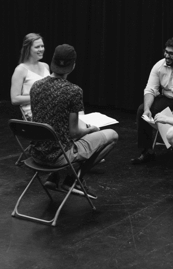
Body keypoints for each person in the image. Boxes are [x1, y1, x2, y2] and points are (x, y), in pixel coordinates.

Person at [29, 45, 119, 190]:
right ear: (73, 65)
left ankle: (55, 176)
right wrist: (92, 129)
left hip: (36, 155)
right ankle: (73, 179)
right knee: (112, 135)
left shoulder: (35, 86)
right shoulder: (73, 91)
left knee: (60, 132)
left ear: (52, 62)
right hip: (59, 157)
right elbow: (74, 133)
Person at [131, 37, 173, 165]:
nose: (167, 56)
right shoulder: (159, 65)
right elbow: (150, 89)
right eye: (166, 52)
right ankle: (147, 151)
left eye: (172, 54)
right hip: (166, 98)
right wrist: (147, 109)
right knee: (142, 110)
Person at [10, 33, 49, 121]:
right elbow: (14, 99)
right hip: (32, 113)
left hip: (48, 108)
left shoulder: (45, 66)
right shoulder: (20, 70)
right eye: (37, 47)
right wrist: (39, 97)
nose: (41, 49)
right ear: (28, 49)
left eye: (42, 46)